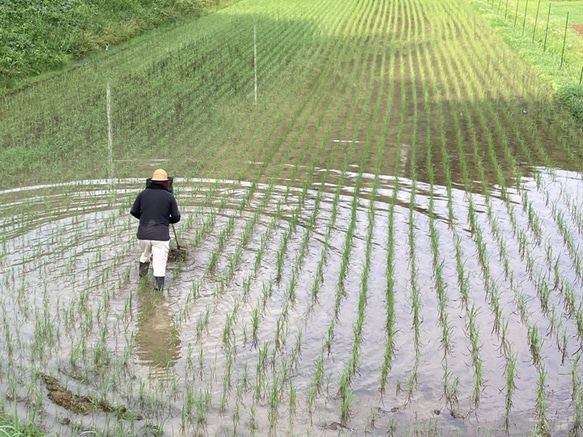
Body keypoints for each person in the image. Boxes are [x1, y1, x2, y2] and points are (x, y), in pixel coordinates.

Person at [130, 169, 180, 291]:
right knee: (159, 264)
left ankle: (142, 280)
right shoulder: (169, 197)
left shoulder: (143, 194)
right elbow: (176, 217)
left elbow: (133, 211)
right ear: (165, 183)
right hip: (160, 236)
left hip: (143, 235)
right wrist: (165, 221)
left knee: (145, 255)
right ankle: (158, 293)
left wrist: (143, 219)